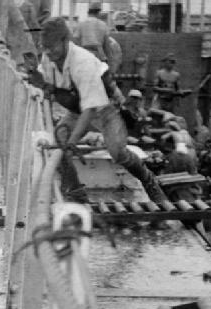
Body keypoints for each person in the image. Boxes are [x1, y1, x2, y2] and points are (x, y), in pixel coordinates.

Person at [26, 16, 169, 205]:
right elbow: (48, 84)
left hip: (105, 109)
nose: (48, 52)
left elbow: (91, 109)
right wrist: (36, 80)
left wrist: (74, 141)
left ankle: (148, 181)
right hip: (76, 107)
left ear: (64, 41)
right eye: (44, 47)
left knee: (118, 153)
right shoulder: (48, 57)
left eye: (52, 47)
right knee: (60, 138)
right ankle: (75, 191)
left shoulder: (83, 62)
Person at [76, 0, 114, 65]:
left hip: (84, 58)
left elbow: (76, 42)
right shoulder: (103, 25)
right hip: (99, 57)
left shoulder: (81, 24)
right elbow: (107, 46)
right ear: (98, 12)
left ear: (88, 12)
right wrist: (110, 61)